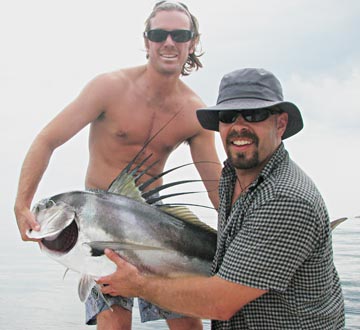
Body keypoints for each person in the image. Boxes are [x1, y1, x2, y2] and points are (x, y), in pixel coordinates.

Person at [14, 1, 222, 329]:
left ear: (192, 42)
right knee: (115, 325)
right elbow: (46, 140)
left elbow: (217, 190)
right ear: (146, 40)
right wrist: (22, 203)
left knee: (188, 326)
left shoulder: (195, 112)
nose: (169, 42)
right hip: (99, 229)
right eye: (159, 34)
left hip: (156, 233)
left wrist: (252, 239)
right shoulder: (108, 88)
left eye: (179, 34)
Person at [97, 68, 345, 329]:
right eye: (228, 117)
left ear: (280, 124)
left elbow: (219, 303)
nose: (239, 126)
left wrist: (138, 285)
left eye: (254, 115)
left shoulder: (285, 199)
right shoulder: (232, 177)